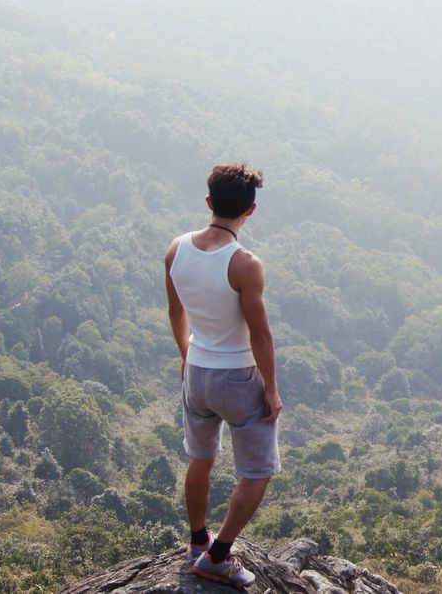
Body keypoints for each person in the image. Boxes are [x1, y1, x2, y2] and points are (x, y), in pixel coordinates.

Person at [165, 163, 282, 588]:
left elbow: (175, 311)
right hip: (236, 377)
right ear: (251, 210)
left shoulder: (177, 248)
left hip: (196, 371)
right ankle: (217, 556)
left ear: (210, 203)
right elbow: (261, 335)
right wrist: (271, 389)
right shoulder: (244, 264)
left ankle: (198, 541)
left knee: (200, 458)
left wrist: (185, 354)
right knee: (257, 471)